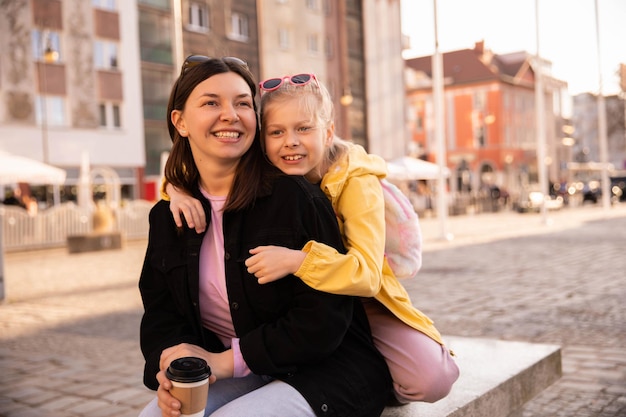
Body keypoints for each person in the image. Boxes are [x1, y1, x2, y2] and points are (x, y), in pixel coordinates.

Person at [165, 72, 459, 404]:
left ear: (328, 131)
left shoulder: (354, 181)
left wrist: (299, 260)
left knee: (432, 379)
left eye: (304, 128)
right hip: (302, 307)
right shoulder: (269, 169)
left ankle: (371, 376)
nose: (290, 141)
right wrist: (175, 191)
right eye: (277, 132)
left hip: (364, 300)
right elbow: (209, 171)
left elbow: (367, 275)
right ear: (262, 140)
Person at [139, 56, 392, 417]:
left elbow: (323, 320)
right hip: (242, 367)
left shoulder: (294, 196)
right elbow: (161, 313)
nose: (230, 114)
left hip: (326, 368)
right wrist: (170, 364)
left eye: (242, 103)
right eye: (212, 102)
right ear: (179, 121)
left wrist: (223, 362)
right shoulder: (168, 215)